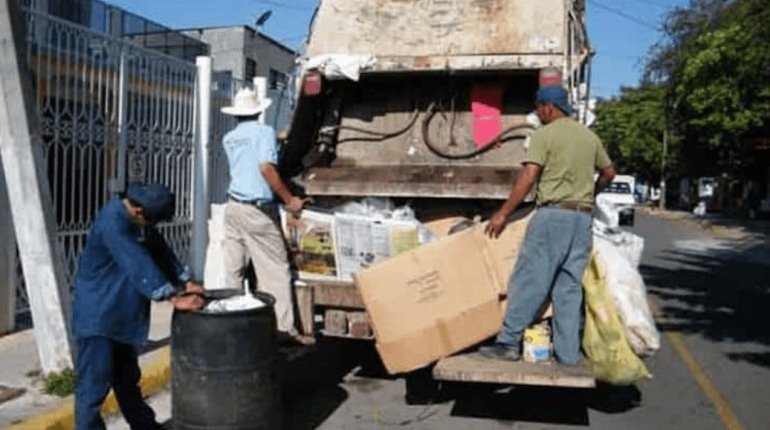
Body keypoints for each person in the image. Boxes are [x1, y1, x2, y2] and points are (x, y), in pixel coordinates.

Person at [479, 86, 616, 366]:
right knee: (568, 287)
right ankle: (567, 355)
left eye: (539, 108)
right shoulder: (589, 137)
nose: (537, 113)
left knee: (530, 280)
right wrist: (591, 193)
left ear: (549, 108)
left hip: (553, 216)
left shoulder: (544, 135)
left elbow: (529, 176)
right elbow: (609, 172)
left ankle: (507, 343)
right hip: (582, 219)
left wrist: (503, 213)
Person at [72, 182, 205, 430]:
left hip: (120, 312)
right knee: (93, 388)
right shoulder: (113, 224)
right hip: (99, 317)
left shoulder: (137, 219)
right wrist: (174, 297)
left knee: (127, 380)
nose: (154, 227)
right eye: (153, 221)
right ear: (140, 212)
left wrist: (184, 281)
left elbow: (159, 249)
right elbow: (138, 262)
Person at [220, 87, 307, 340]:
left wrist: (277, 141)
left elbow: (249, 156)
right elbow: (266, 168)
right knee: (275, 268)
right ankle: (283, 329)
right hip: (257, 210)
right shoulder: (264, 132)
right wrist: (290, 200)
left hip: (233, 207)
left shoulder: (230, 138)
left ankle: (230, 323)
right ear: (259, 111)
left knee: (234, 269)